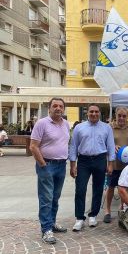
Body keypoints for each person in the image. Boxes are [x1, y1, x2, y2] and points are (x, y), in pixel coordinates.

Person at [29, 97, 70, 244]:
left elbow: (64, 143)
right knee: (46, 198)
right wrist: (43, 165)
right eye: (55, 106)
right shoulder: (42, 123)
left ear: (63, 109)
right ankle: (46, 230)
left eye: (61, 106)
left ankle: (51, 223)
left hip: (61, 165)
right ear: (49, 108)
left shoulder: (66, 124)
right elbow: (33, 146)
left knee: (55, 198)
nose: (58, 108)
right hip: (46, 165)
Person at [69, 103, 115, 231]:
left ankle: (93, 215)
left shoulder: (106, 128)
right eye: (91, 112)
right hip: (83, 160)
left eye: (96, 112)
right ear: (87, 113)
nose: (94, 114)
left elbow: (111, 146)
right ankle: (79, 218)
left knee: (98, 189)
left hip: (100, 159)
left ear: (99, 113)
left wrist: (110, 163)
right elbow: (73, 146)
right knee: (80, 189)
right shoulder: (79, 127)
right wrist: (73, 164)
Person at [103, 107, 128, 224]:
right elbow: (104, 142)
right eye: (119, 116)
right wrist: (112, 146)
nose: (121, 118)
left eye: (124, 116)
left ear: (127, 116)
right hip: (114, 163)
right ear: (115, 115)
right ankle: (107, 210)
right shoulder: (109, 127)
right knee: (111, 187)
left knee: (125, 188)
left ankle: (122, 208)